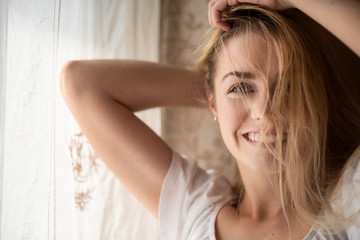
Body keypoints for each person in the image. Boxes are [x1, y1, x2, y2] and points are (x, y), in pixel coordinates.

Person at [60, 0, 360, 239]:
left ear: (317, 97)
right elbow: (81, 82)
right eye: (241, 87)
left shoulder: (349, 202)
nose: (265, 111)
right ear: (212, 103)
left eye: (290, 86)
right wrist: (215, 92)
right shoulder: (194, 212)